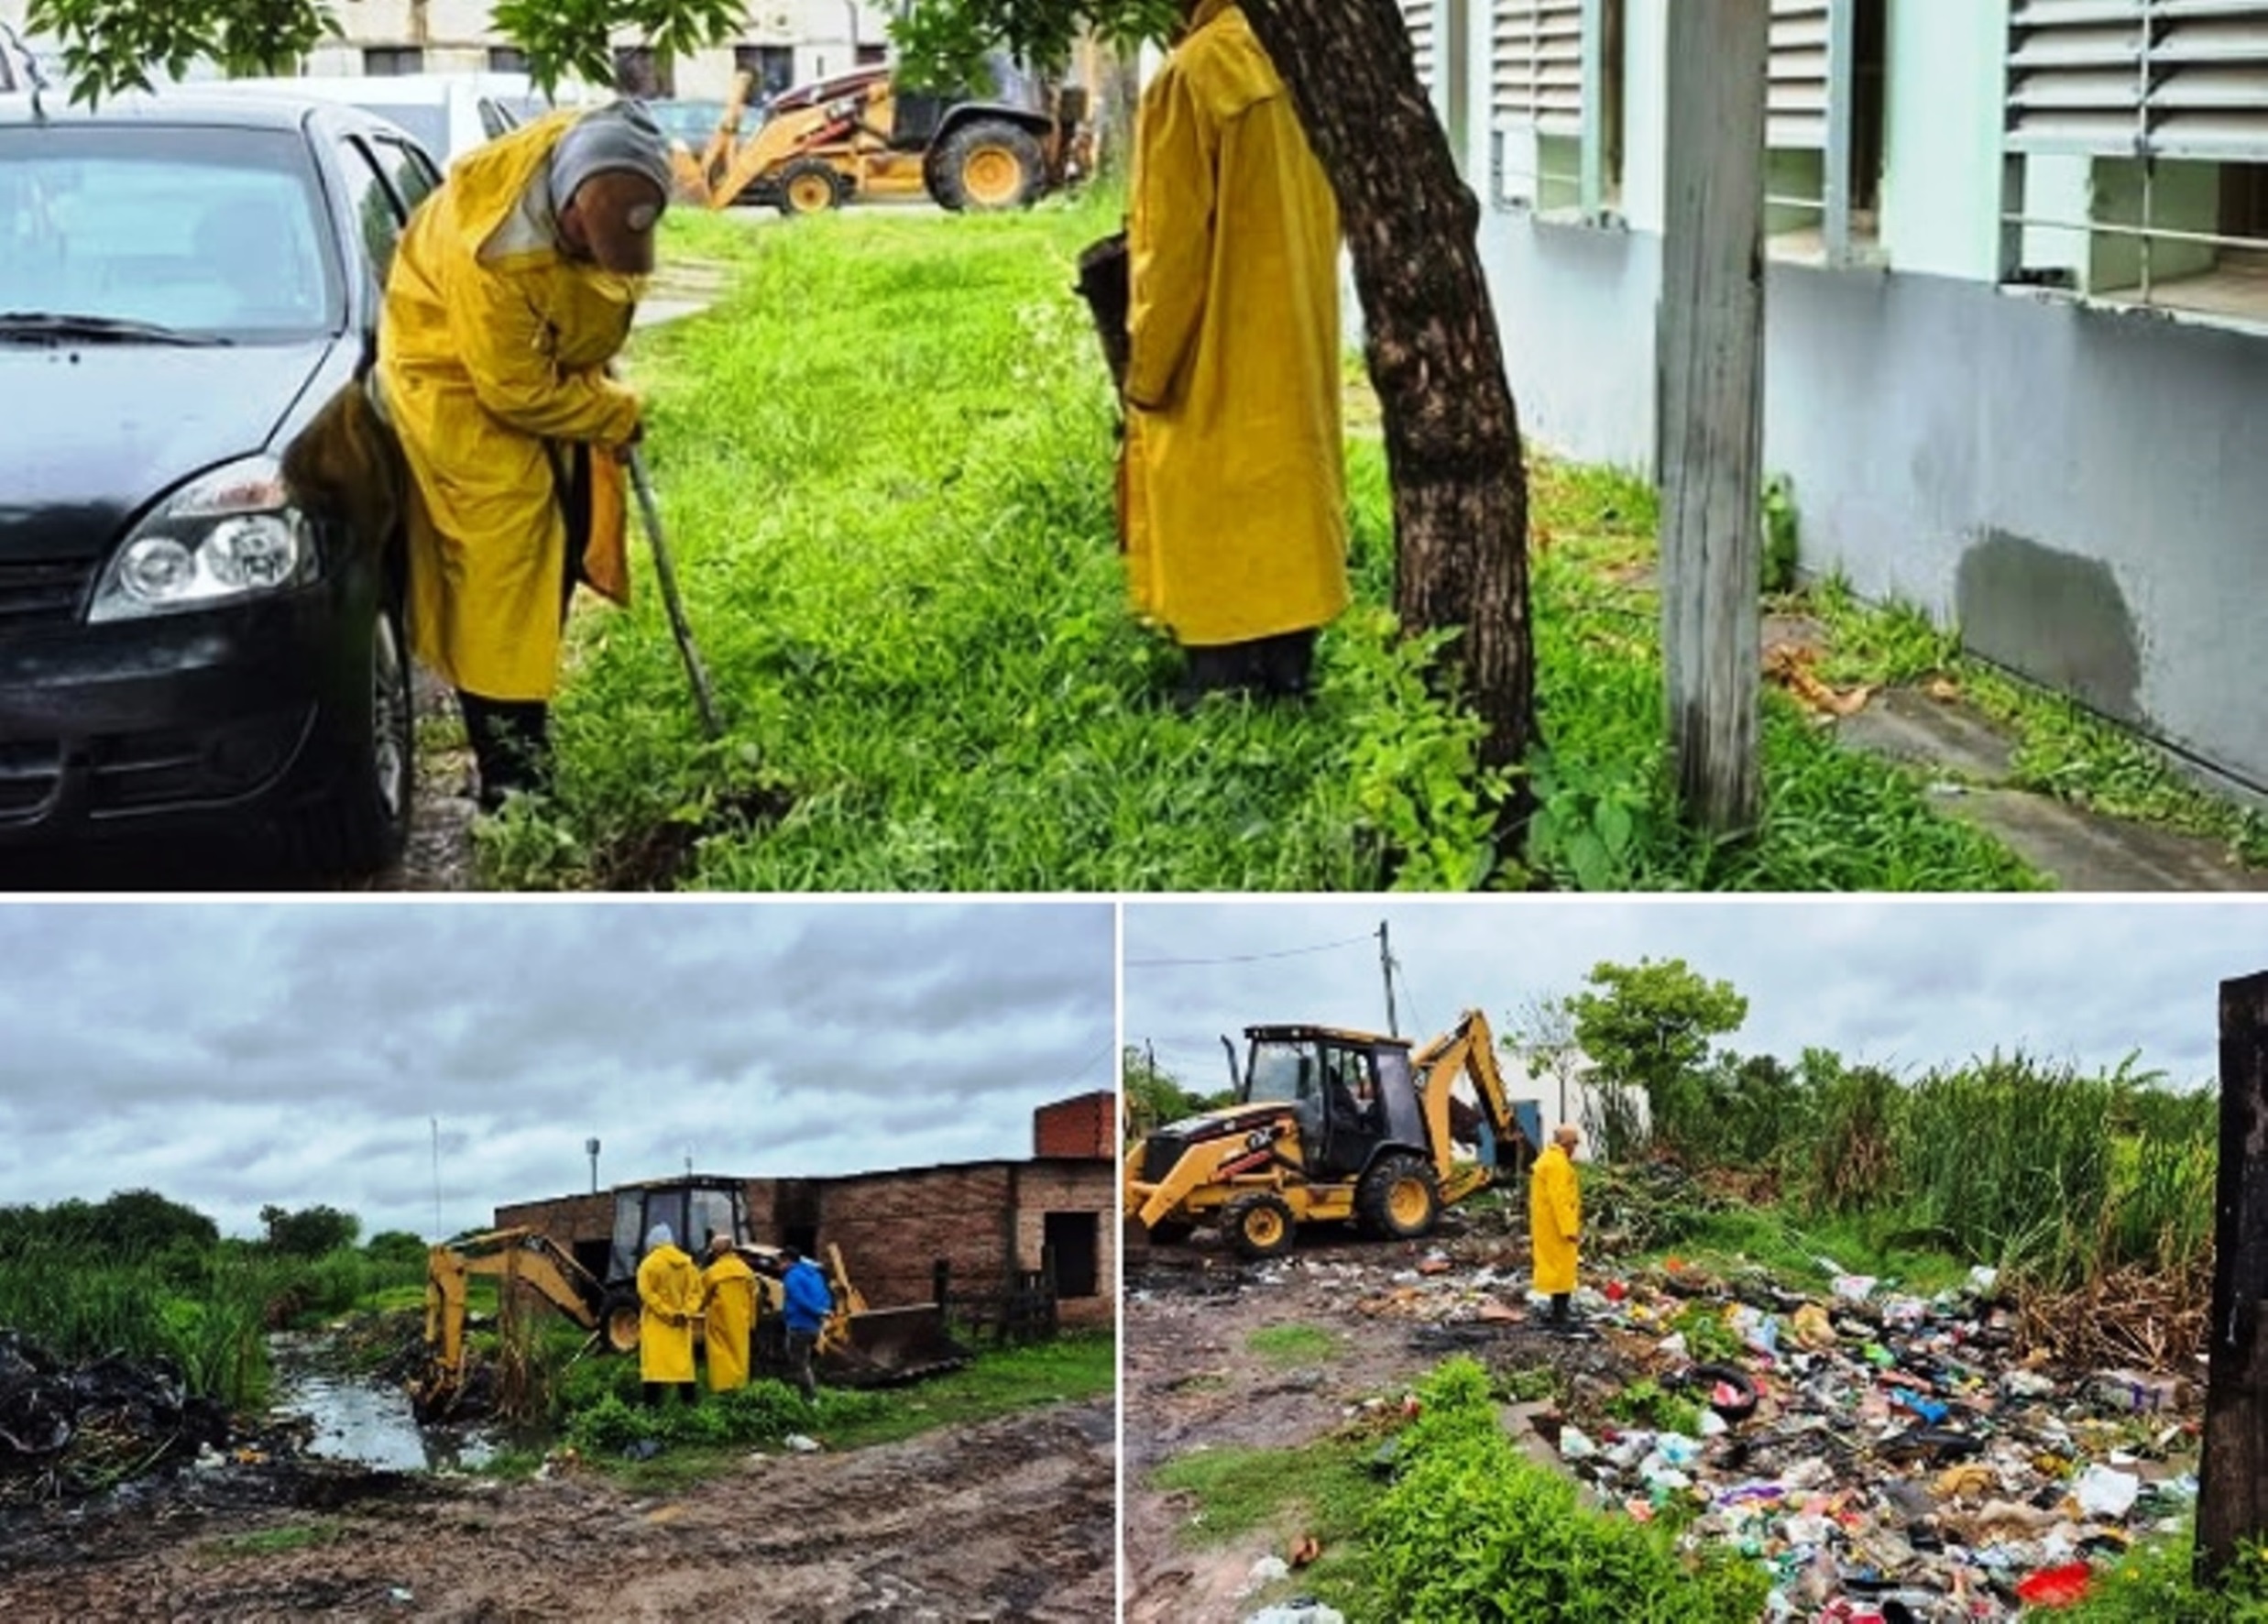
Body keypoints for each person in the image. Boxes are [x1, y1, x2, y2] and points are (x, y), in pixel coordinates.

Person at [375, 100, 672, 809]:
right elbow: (511, 392)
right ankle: (513, 782)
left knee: (564, 542)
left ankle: (527, 725)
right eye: (582, 240)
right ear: (562, 208)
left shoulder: (603, 151)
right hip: (457, 389)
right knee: (501, 577)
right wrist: (613, 412)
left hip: (539, 369)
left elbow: (594, 290)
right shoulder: (492, 250)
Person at [1123, 0, 1350, 705]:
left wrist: (1145, 370)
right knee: (1289, 494)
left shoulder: (1190, 74)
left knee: (1208, 495)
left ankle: (1218, 684)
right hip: (1297, 335)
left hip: (1212, 341)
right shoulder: (1312, 66)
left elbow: (1169, 253)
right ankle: (1289, 670)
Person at [635, 1222, 702, 1407]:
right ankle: (689, 1406)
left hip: (657, 1325)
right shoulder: (689, 1265)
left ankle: (651, 1409)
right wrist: (685, 1313)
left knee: (654, 1368)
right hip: (681, 1326)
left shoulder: (648, 1265)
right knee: (683, 1368)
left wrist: (667, 1314)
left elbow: (647, 1294)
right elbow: (696, 1293)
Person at [1530, 1124, 1583, 1331]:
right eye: (1574, 1143)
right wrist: (1570, 1230)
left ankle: (1557, 1312)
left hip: (1547, 1224)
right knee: (1562, 1271)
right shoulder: (1557, 1164)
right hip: (1557, 1226)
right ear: (1567, 1143)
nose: (1575, 1148)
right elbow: (1560, 1200)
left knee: (1554, 1269)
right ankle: (1559, 1317)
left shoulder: (1548, 1159)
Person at [699, 1233, 760, 1394]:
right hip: (741, 1321)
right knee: (740, 1354)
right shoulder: (746, 1271)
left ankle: (722, 1389)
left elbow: (701, 1299)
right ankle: (740, 1387)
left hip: (719, 1322)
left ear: (715, 1251)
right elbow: (754, 1297)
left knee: (721, 1356)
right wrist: (752, 1322)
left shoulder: (712, 1273)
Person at [779, 1245, 834, 1404]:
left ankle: (810, 1400)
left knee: (799, 1364)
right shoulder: (815, 1274)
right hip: (815, 1325)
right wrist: (824, 1311)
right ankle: (815, 1393)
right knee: (808, 1362)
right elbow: (826, 1295)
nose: (779, 1267)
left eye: (780, 1263)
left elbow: (798, 1298)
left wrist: (816, 1311)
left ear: (787, 1261)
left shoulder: (792, 1276)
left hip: (798, 1323)